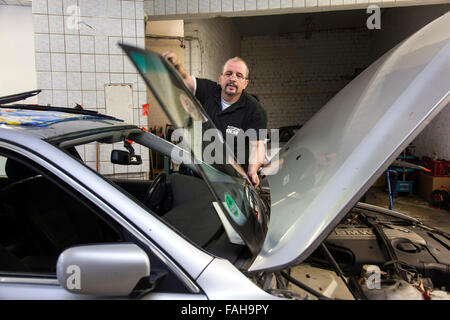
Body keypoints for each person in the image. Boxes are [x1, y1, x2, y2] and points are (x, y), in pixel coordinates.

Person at [163, 52, 267, 187]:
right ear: (221, 78)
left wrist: (252, 171)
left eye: (239, 75)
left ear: (245, 83)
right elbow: (184, 80)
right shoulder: (209, 90)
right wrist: (177, 66)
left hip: (231, 179)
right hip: (200, 171)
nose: (233, 78)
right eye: (228, 74)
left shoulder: (254, 110)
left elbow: (257, 146)